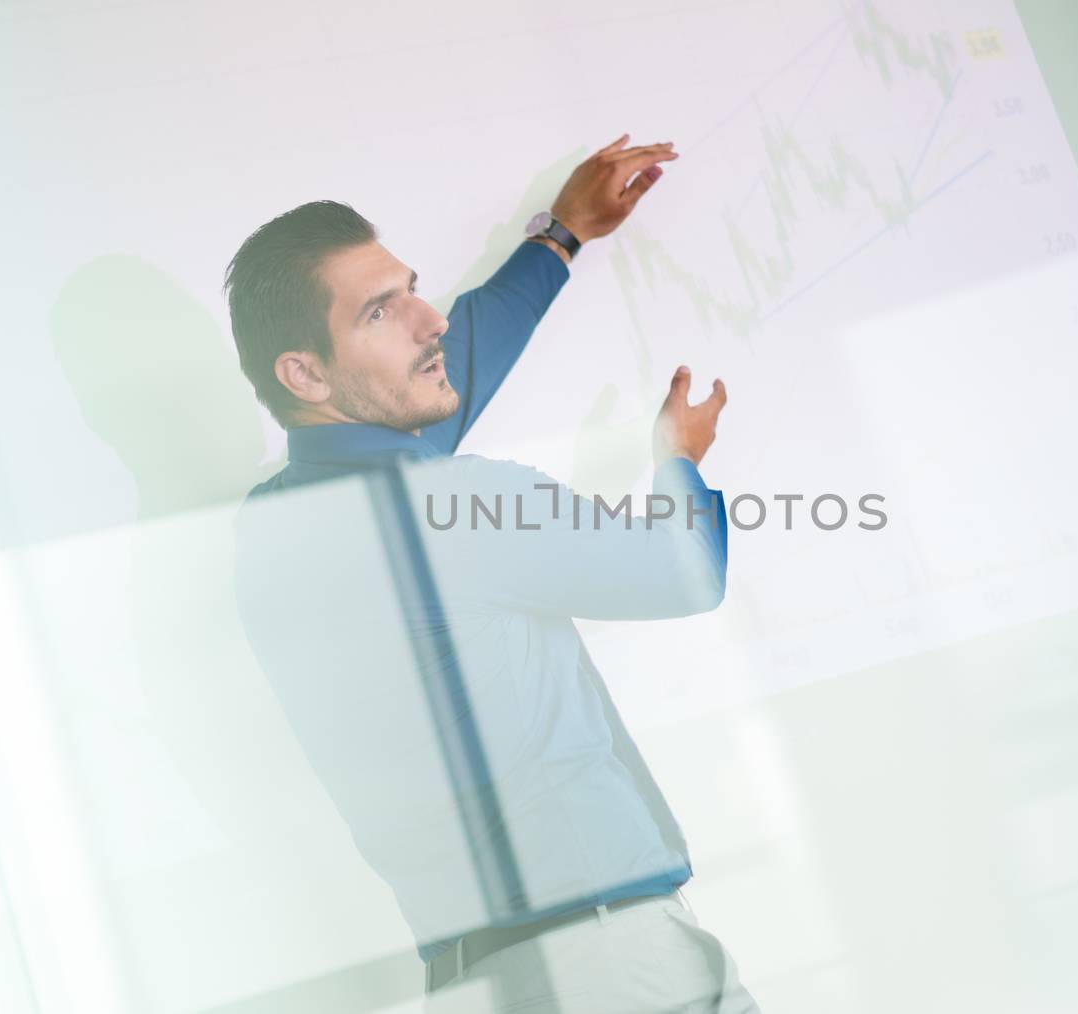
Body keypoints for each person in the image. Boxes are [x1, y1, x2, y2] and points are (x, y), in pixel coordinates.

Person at [225, 136, 759, 1013]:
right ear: (304, 373)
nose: (430, 321)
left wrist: (560, 240)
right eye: (379, 314)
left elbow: (428, 398)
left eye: (413, 294)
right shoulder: (458, 505)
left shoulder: (271, 527)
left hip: (475, 979)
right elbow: (684, 574)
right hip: (610, 962)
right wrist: (678, 462)